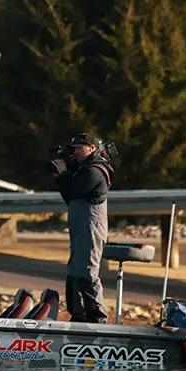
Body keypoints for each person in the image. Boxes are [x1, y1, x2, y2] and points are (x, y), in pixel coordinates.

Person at [51, 133, 114, 323]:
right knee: (75, 270)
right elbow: (71, 194)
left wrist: (62, 174)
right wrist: (65, 167)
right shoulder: (84, 168)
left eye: (79, 148)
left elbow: (72, 193)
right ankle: (78, 314)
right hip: (82, 226)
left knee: (87, 271)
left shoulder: (95, 171)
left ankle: (97, 317)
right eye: (74, 148)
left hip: (91, 227)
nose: (75, 152)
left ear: (92, 148)